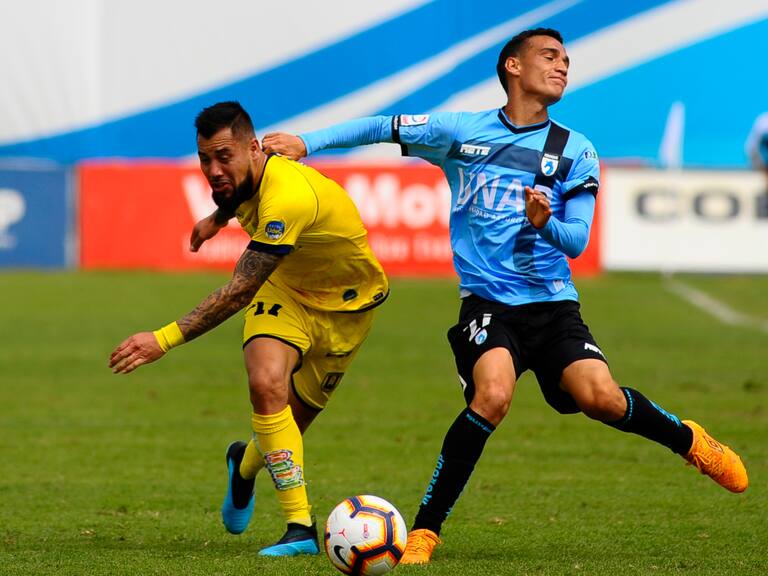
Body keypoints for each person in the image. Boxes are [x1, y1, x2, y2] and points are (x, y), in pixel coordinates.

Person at [261, 28, 749, 564]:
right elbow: (383, 125)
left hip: (555, 307)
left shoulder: (575, 150)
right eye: (549, 56)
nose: (562, 65)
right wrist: (309, 142)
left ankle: (691, 441)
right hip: (488, 306)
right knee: (492, 396)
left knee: (601, 400)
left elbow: (579, 241)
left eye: (566, 58)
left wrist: (545, 224)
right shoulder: (460, 133)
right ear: (513, 67)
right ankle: (425, 531)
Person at [109, 101, 389, 557]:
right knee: (265, 384)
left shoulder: (290, 197)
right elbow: (239, 193)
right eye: (205, 159)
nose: (213, 169)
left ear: (253, 148)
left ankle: (243, 465)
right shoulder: (249, 173)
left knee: (286, 430)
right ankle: (300, 527)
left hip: (349, 311)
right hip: (285, 295)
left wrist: (161, 339)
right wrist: (216, 219)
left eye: (224, 156)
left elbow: (238, 290)